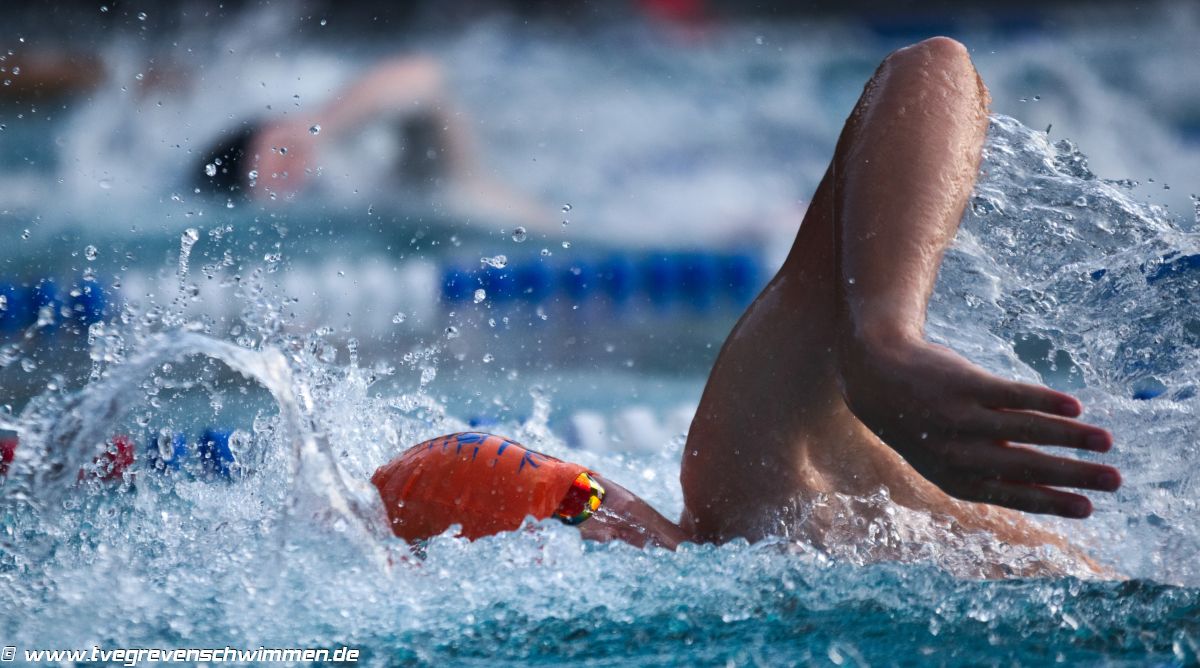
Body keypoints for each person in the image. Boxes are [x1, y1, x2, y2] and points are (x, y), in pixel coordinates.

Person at [371, 37, 1122, 575]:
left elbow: (933, 67)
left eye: (585, 485)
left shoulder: (755, 482)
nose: (609, 509)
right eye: (574, 507)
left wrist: (884, 335)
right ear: (536, 565)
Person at [196, 56, 554, 231]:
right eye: (276, 176)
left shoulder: (415, 182)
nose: (290, 162)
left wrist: (319, 125)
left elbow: (424, 78)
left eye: (283, 147)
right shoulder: (386, 203)